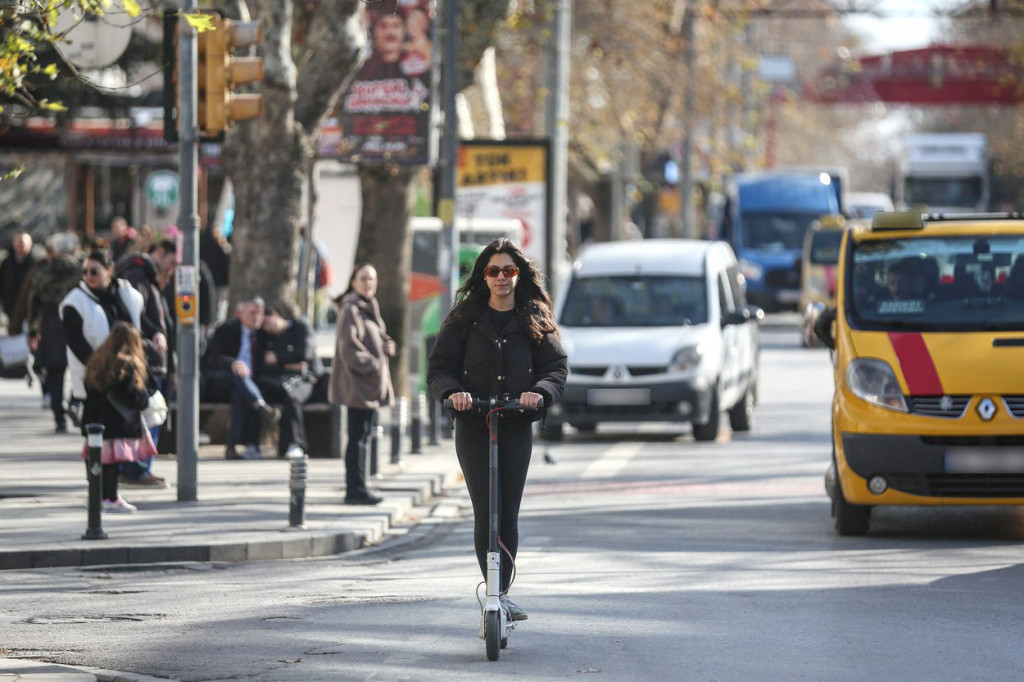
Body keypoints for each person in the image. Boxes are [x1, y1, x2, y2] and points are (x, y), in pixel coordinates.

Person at [427, 238, 568, 622]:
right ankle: (492, 590)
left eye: (509, 271)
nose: (501, 278)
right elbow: (439, 369)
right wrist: (454, 393)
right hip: (475, 424)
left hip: (515, 425)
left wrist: (538, 394)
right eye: (493, 271)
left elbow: (555, 369)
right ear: (483, 276)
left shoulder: (533, 317)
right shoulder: (463, 319)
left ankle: (502, 593)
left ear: (518, 275)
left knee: (507, 513)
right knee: (485, 511)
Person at [329, 263, 395, 505]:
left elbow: (376, 336)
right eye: (364, 279)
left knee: (364, 435)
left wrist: (388, 345)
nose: (369, 283)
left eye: (372, 279)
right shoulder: (351, 309)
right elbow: (350, 349)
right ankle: (355, 490)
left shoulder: (369, 306)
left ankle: (360, 486)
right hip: (358, 386)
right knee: (357, 437)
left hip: (369, 386)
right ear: (353, 282)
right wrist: (375, 365)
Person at [114, 241, 177, 487]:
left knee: (148, 414)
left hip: (149, 355)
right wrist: (155, 336)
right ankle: (137, 469)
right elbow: (136, 315)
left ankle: (135, 467)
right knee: (149, 413)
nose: (171, 270)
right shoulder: (138, 274)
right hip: (146, 357)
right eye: (171, 263)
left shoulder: (146, 275)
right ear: (159, 253)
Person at [80, 322, 158, 513]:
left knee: (98, 462)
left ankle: (97, 497)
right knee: (112, 464)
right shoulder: (127, 364)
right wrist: (145, 400)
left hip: (94, 420)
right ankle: (111, 497)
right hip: (116, 422)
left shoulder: (97, 360)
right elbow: (131, 395)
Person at [59, 250, 144, 425]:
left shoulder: (126, 294)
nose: (88, 276)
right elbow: (76, 343)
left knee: (128, 430)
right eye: (85, 272)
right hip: (96, 379)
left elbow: (142, 323)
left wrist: (158, 336)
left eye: (94, 271)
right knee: (100, 433)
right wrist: (101, 368)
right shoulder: (74, 302)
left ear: (109, 271)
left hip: (127, 374)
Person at [201, 296, 281, 460]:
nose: (256, 317)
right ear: (240, 314)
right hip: (220, 382)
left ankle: (232, 446)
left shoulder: (263, 336)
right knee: (237, 374)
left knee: (240, 393)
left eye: (260, 313)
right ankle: (261, 407)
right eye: (252, 313)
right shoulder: (225, 330)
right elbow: (211, 359)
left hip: (246, 387)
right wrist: (233, 363)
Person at [25, 232, 82, 433]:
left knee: (55, 374)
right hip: (76, 325)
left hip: (51, 325)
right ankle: (75, 403)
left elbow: (34, 301)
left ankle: (59, 418)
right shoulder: (79, 271)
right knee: (79, 369)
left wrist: (32, 329)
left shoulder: (45, 272)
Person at [257, 302, 322, 458]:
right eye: (263, 326)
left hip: (306, 380)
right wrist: (288, 364)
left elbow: (304, 354)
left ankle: (296, 444)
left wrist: (278, 358)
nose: (267, 328)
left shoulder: (301, 327)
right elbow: (264, 363)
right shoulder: (268, 337)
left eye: (267, 322)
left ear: (276, 314)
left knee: (292, 399)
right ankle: (252, 444)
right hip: (279, 381)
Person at [1, 231, 36, 329]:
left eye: (24, 243)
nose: (21, 245)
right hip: (11, 305)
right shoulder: (6, 263)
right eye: (19, 242)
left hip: (29, 307)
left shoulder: (35, 263)